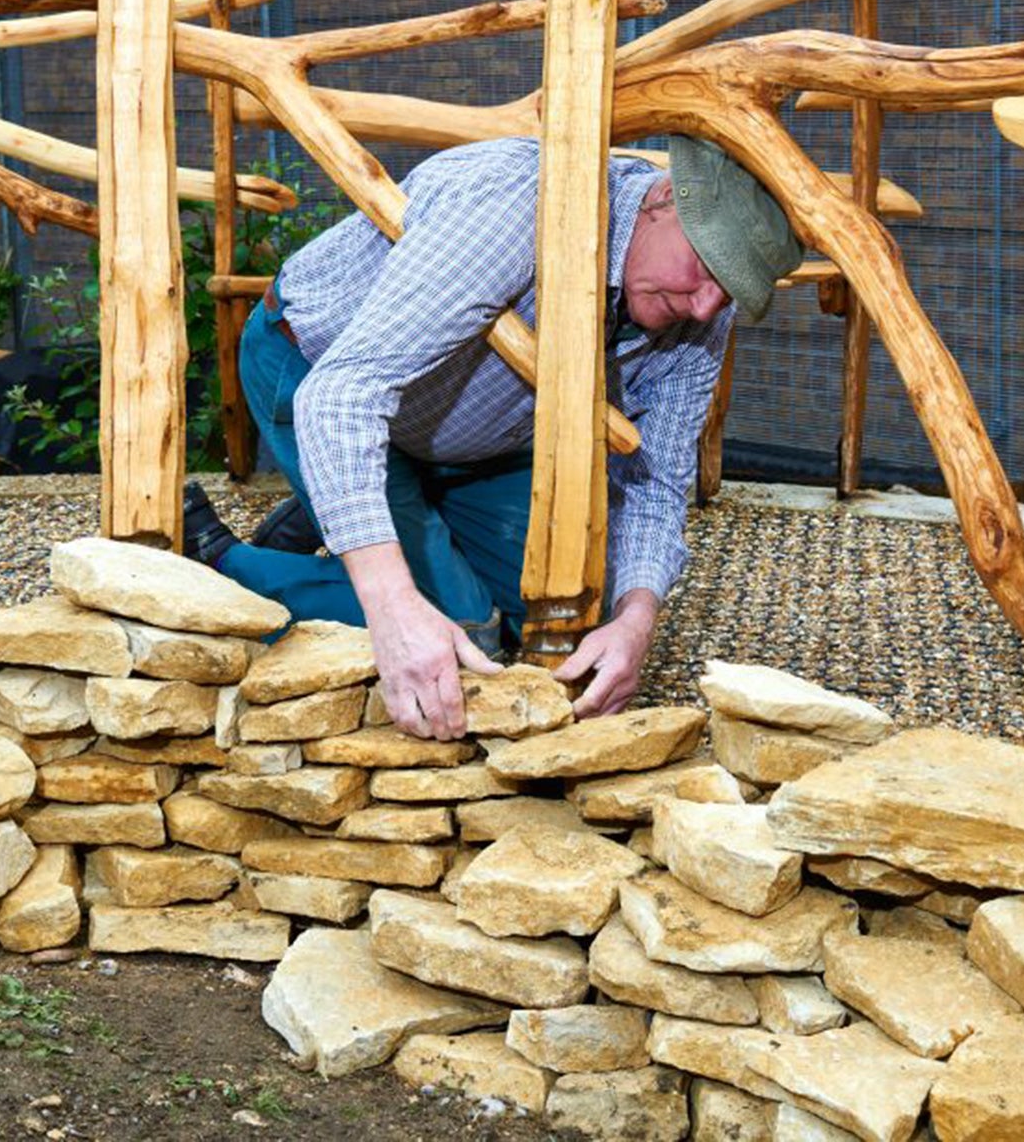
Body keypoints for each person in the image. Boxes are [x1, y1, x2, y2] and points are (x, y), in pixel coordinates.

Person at [183, 134, 802, 741]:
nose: (702, 307)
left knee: (565, 616)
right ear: (662, 198)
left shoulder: (697, 314)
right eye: (706, 268)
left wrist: (636, 621)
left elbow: (655, 483)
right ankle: (217, 558)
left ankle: (349, 509)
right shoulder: (516, 210)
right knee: (466, 633)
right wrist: (395, 610)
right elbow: (342, 397)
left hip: (470, 433)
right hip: (317, 372)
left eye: (730, 295)